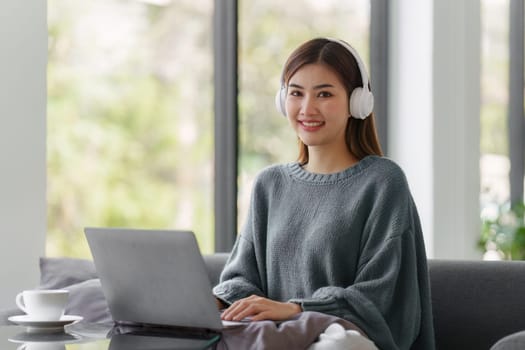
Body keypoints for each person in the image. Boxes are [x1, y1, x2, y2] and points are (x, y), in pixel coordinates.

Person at [212, 37, 435, 350]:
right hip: (275, 337)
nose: (307, 108)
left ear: (357, 102)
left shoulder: (383, 181)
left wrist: (299, 308)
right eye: (296, 93)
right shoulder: (269, 184)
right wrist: (218, 302)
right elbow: (241, 278)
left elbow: (381, 295)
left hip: (344, 340)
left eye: (324, 94)